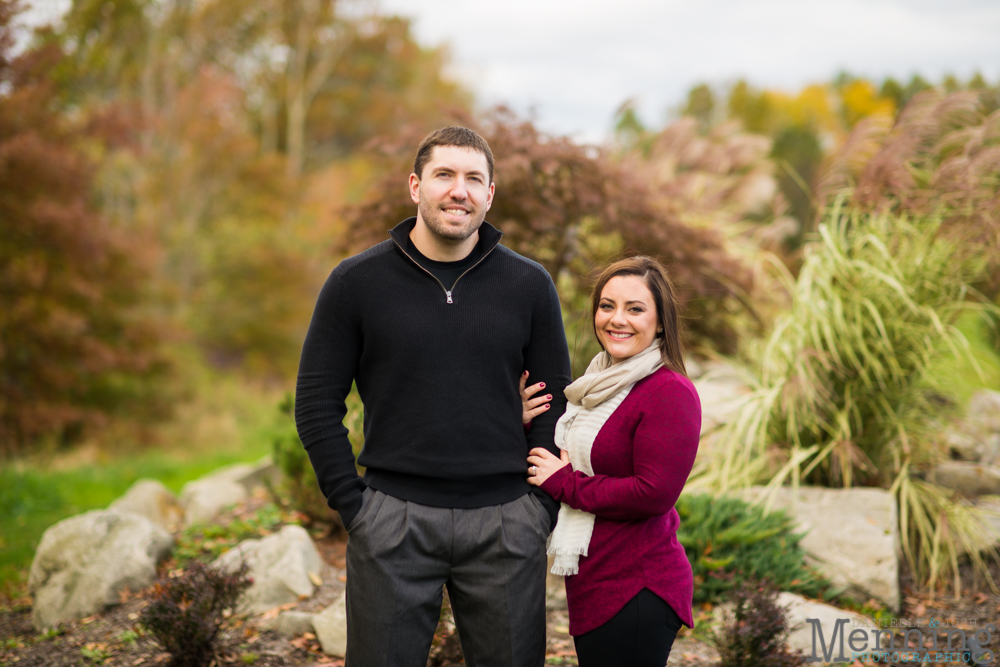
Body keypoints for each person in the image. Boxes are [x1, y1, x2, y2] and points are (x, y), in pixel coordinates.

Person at [295, 126, 571, 667]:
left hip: (506, 523)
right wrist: (354, 508)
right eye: (445, 175)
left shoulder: (529, 285)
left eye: (474, 179)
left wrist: (538, 506)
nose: (459, 190)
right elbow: (315, 401)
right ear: (416, 186)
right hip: (392, 522)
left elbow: (555, 400)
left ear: (490, 195)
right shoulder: (356, 282)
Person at [523, 256, 701, 667]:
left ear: (660, 323)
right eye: (607, 306)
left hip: (638, 586)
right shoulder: (596, 385)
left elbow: (652, 493)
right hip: (597, 581)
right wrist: (520, 419)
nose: (617, 319)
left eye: (635, 309)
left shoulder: (668, 391)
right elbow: (566, 456)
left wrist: (564, 483)